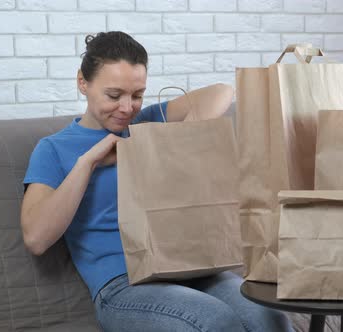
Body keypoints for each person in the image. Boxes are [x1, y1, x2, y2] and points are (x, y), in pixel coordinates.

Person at [20, 31, 293, 332]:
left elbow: (221, 92)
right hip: (123, 285)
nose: (127, 108)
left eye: (137, 95)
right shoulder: (54, 149)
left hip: (191, 266)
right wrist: (89, 162)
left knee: (269, 316)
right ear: (83, 82)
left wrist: (173, 141)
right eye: (114, 95)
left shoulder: (145, 124)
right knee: (214, 320)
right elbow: (37, 238)